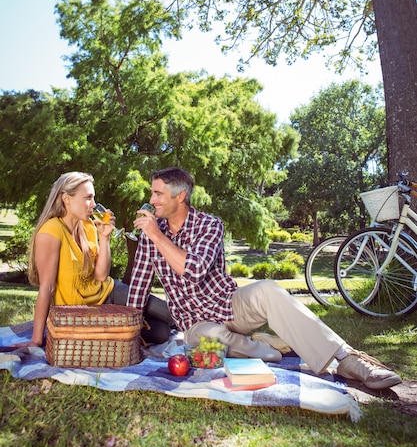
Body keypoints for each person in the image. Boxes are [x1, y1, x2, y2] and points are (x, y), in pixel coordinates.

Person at [128, 167, 402, 390]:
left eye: (157, 194)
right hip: (196, 323)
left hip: (228, 304)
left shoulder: (208, 225)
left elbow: (194, 270)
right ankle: (266, 347)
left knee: (269, 289)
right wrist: (128, 330)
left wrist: (157, 236)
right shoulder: (152, 233)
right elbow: (139, 281)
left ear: (180, 196)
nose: (151, 200)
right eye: (152, 193)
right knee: (214, 339)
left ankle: (347, 359)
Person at [21, 171, 172, 348]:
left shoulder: (87, 226)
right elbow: (47, 287)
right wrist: (37, 339)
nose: (93, 205)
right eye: (88, 198)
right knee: (161, 332)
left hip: (110, 291)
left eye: (93, 198)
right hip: (84, 311)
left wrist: (105, 237)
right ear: (66, 199)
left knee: (170, 314)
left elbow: (101, 276)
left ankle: (208, 327)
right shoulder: (51, 231)